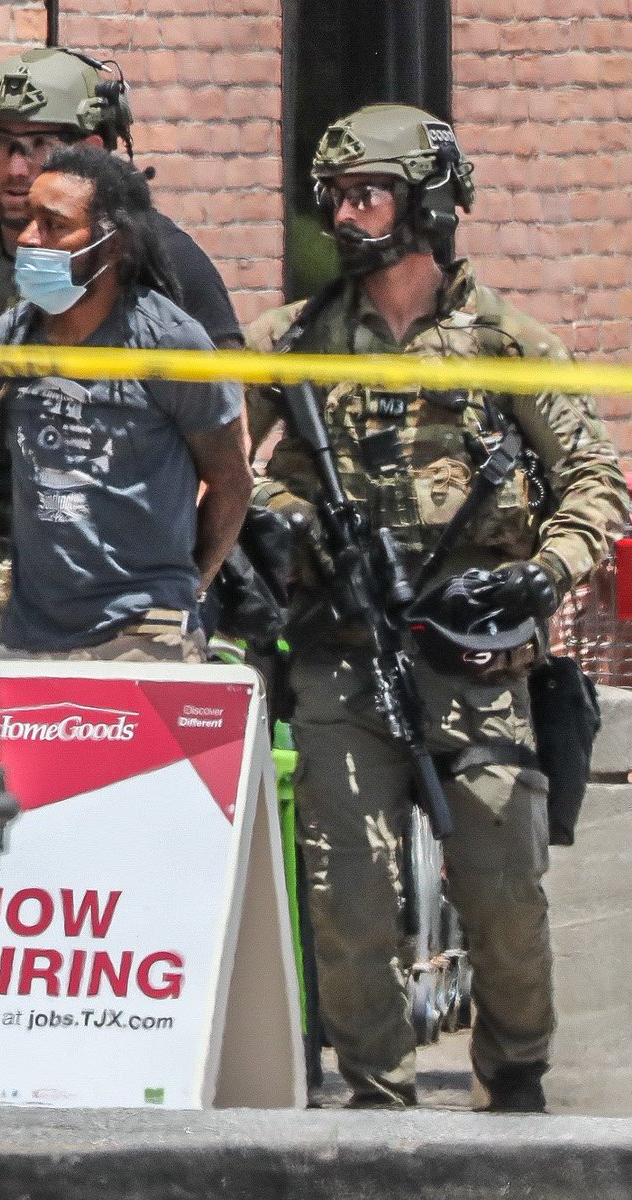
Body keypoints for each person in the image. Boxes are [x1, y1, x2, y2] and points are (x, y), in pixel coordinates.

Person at [244, 104, 630, 1110]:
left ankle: (513, 1076)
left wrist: (544, 572)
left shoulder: (507, 344)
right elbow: (209, 464)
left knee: (503, 895)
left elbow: (597, 481)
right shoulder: (294, 340)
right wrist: (284, 521)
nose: (344, 214)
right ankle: (375, 1096)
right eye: (332, 196)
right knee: (345, 895)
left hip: (478, 666)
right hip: (340, 652)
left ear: (425, 205)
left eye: (365, 193)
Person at [0, 47, 243, 620]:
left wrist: (180, 595)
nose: (16, 168)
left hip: (136, 586)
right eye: (3, 143)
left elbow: (228, 464)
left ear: (92, 151)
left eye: (41, 146)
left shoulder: (169, 273)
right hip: (5, 580)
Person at [0, 146, 250, 662]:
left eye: (53, 225)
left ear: (114, 245)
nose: (29, 239)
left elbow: (232, 481)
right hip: (30, 633)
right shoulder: (7, 341)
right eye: (28, 221)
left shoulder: (170, 342)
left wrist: (182, 593)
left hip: (144, 634)